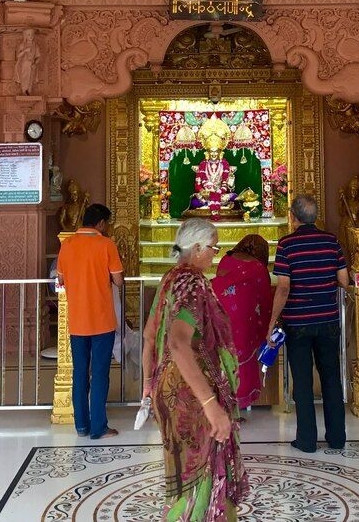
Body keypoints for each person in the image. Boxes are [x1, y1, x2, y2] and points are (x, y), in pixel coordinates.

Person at [142, 218, 249, 521]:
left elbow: (151, 335)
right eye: (214, 248)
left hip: (168, 389)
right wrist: (210, 405)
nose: (215, 255)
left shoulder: (169, 279)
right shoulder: (194, 283)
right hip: (190, 394)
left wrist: (149, 383)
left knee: (183, 475)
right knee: (203, 476)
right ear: (198, 247)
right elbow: (177, 343)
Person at [267, 195, 348, 452]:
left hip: (298, 322)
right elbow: (344, 280)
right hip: (327, 319)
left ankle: (307, 440)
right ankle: (337, 438)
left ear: (293, 217)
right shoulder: (331, 241)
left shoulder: (287, 244)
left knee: (302, 381)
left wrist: (271, 322)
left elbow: (283, 287)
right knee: (331, 378)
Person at [56, 203, 123, 439]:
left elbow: (60, 280)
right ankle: (99, 427)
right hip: (102, 320)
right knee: (100, 373)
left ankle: (81, 425)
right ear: (101, 223)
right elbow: (118, 280)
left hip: (77, 320)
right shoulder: (106, 244)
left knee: (80, 373)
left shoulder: (68, 245)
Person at [212, 235, 274, 411]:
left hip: (221, 314)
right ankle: (235, 406)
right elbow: (265, 299)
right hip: (244, 318)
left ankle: (221, 402)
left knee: (223, 357)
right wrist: (268, 325)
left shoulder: (226, 259)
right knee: (242, 361)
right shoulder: (258, 267)